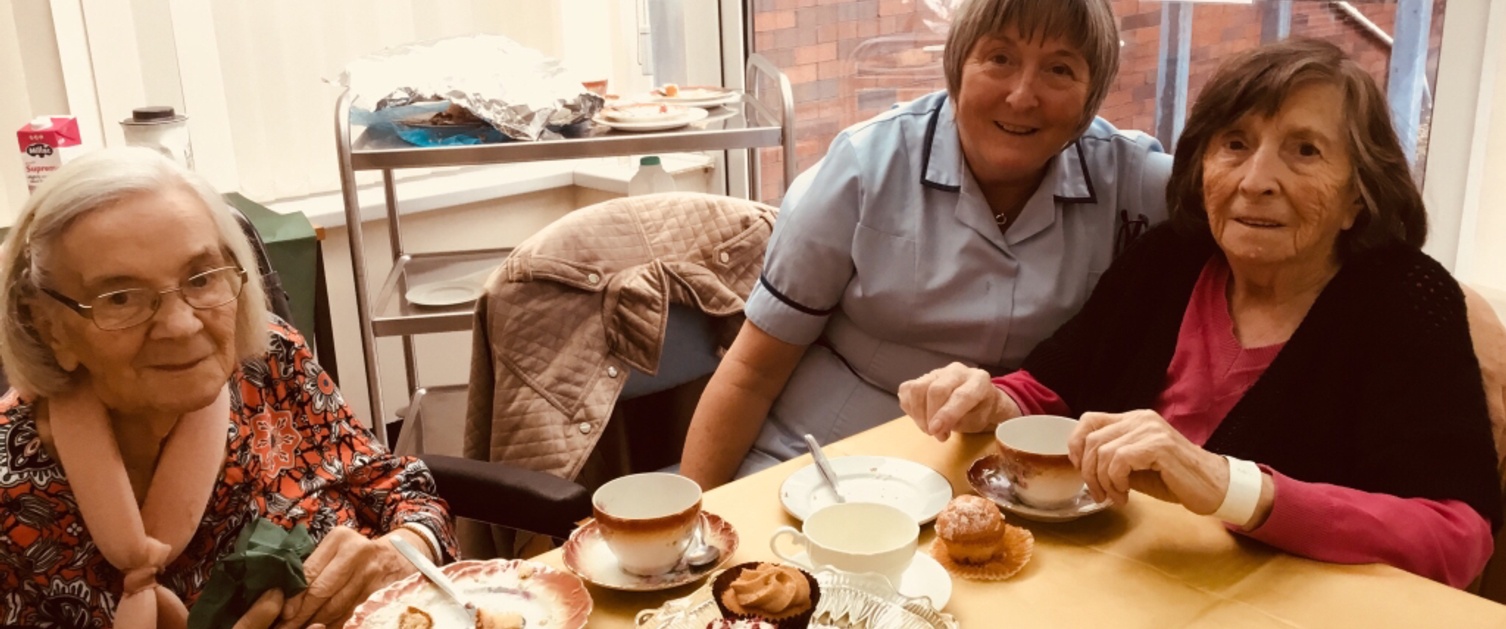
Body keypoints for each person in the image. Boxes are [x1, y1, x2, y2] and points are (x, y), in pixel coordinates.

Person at [901, 39, 1501, 587]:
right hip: (1121, 583)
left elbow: (1458, 538)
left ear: (1358, 194)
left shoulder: (1405, 300)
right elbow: (1056, 383)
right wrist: (992, 401)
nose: (1256, 180)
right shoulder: (1173, 255)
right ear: (1202, 166)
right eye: (1235, 144)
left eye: (1305, 150)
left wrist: (1232, 487)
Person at [680, 0, 1173, 488]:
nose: (1023, 96)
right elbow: (751, 372)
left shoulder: (1135, 184)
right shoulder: (863, 167)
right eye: (999, 58)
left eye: (1059, 70)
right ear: (956, 66)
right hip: (830, 460)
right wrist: (697, 524)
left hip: (1028, 480)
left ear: (1093, 97)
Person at [0, 148, 457, 627]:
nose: (179, 325)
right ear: (50, 326)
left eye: (200, 278)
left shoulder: (268, 362)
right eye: (120, 298)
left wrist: (405, 551)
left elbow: (395, 486)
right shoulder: (14, 487)